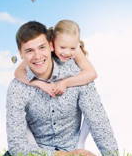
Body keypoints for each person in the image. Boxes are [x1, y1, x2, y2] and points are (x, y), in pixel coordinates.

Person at [4, 21, 118, 156]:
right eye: (29, 50)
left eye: (41, 47)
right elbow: (17, 145)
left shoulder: (78, 77)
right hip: (34, 154)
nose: (37, 56)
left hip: (73, 152)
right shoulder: (17, 88)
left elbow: (98, 122)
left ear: (51, 46)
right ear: (21, 54)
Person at [14, 19, 96, 149]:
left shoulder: (73, 48)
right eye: (62, 47)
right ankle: (35, 149)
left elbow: (92, 73)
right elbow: (18, 72)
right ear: (52, 44)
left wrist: (65, 83)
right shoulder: (40, 51)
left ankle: (80, 144)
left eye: (72, 48)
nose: (67, 52)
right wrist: (39, 84)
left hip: (70, 134)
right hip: (41, 140)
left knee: (91, 106)